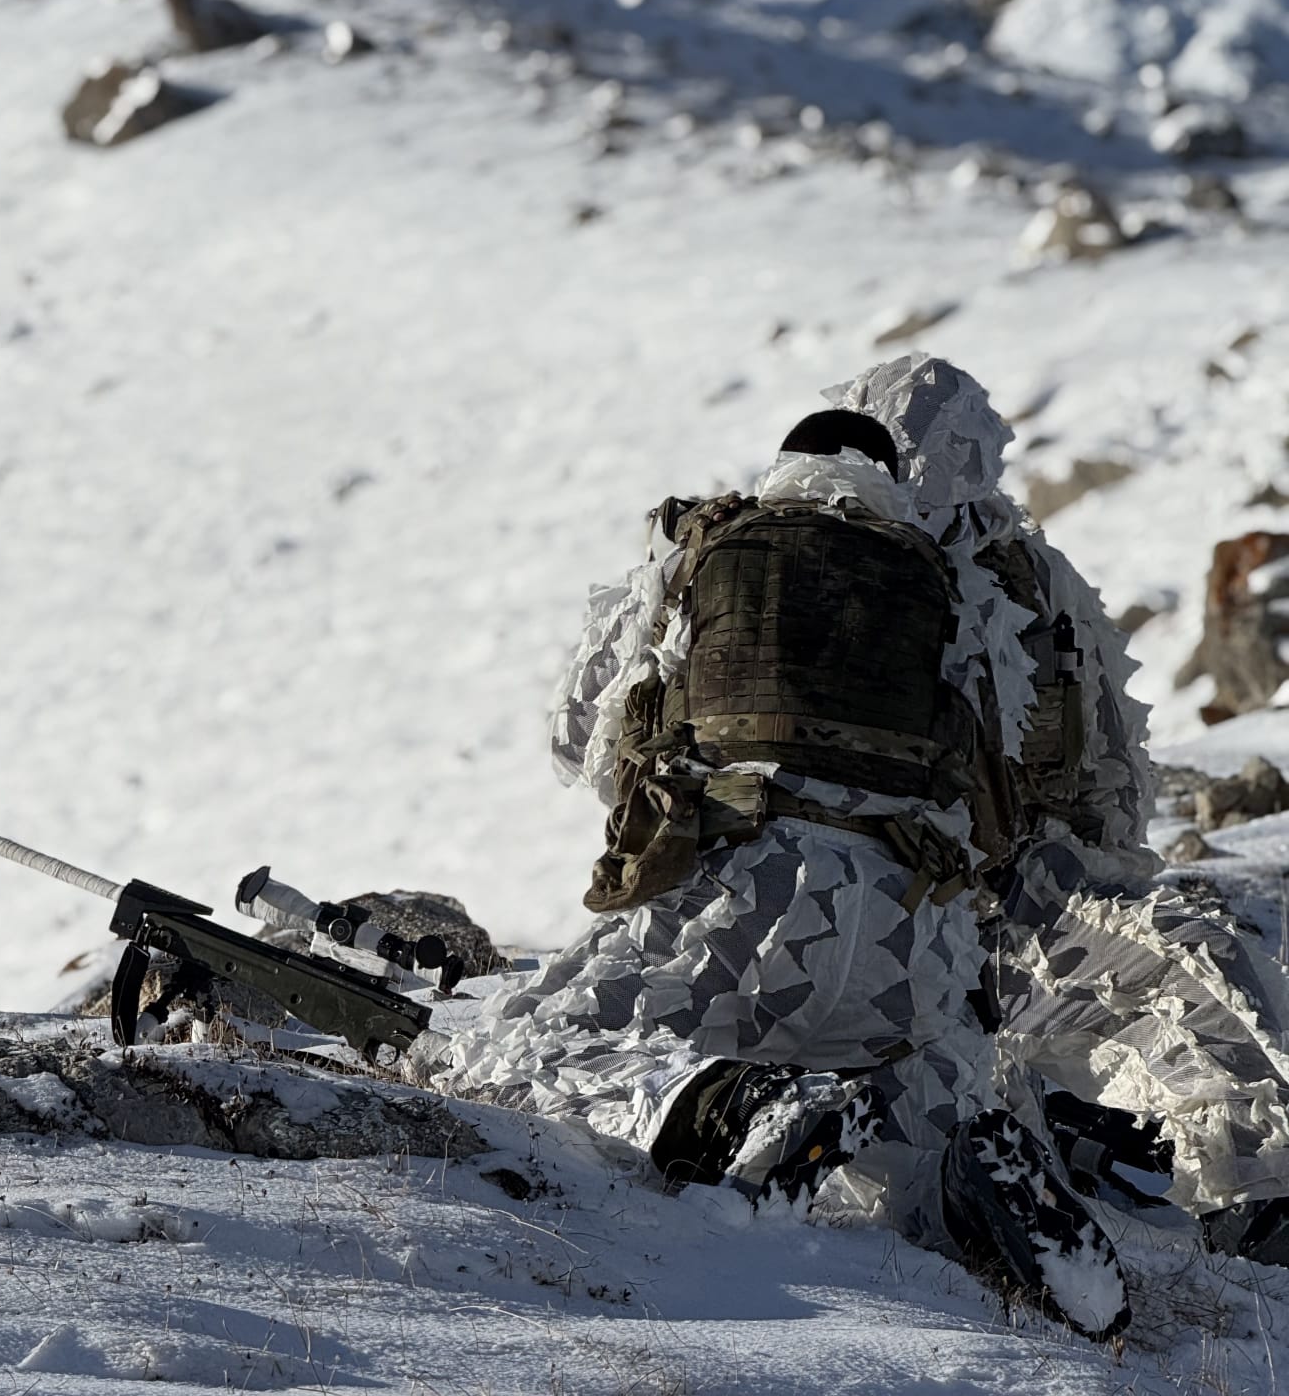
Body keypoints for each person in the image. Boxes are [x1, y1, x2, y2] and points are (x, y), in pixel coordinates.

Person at [416, 375, 1129, 1339]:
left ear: (783, 464)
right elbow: (999, 784)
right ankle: (960, 1176)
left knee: (506, 1051)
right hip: (904, 943)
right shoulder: (961, 586)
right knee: (919, 1105)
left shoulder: (702, 546)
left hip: (726, 916)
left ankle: (707, 1103)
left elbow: (583, 735)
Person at [829, 352, 1289, 1266]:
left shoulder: (1016, 568)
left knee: (1195, 959)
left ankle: (1255, 1186)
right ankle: (1254, 1188)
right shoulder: (873, 561)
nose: (980, 457)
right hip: (920, 915)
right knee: (1191, 969)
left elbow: (1104, 753)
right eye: (959, 441)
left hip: (1004, 899)